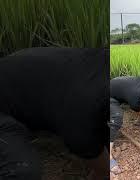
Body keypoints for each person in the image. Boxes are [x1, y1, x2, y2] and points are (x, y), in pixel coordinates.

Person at [0, 47, 109, 180]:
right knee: (23, 171)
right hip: (5, 109)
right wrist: (103, 171)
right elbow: (83, 143)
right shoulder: (86, 100)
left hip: (30, 82)